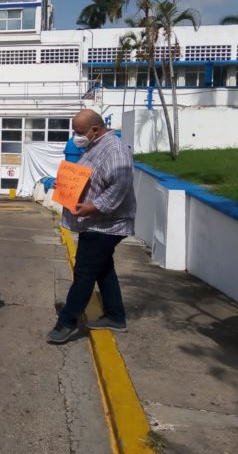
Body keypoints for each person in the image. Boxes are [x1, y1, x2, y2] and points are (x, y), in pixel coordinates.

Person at [47, 109, 136, 344]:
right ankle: (116, 316)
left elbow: (120, 187)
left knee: (85, 273)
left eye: (79, 132)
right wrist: (63, 184)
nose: (76, 136)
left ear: (95, 129)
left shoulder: (115, 152)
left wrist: (93, 207)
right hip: (95, 223)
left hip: (105, 225)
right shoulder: (95, 146)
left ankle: (66, 322)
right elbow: (86, 176)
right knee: (103, 269)